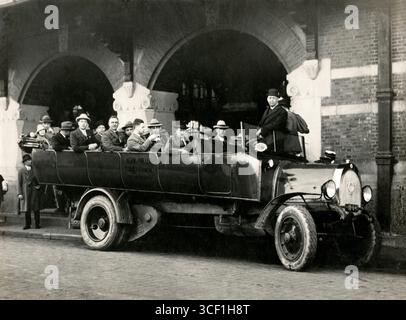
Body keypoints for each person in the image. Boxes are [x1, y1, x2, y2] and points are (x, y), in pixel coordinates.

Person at [257, 88, 289, 152]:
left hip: (276, 140)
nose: (271, 100)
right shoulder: (267, 110)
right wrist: (258, 131)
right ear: (267, 99)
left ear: (277, 99)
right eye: (270, 98)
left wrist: (262, 130)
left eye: (274, 98)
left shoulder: (282, 111)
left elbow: (275, 124)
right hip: (265, 138)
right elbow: (261, 123)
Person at [17, 154, 42, 229]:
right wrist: (20, 193)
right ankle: (27, 224)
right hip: (25, 192)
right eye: (28, 160)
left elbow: (38, 180)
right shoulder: (21, 171)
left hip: (34, 191)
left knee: (36, 208)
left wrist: (38, 186)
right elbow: (19, 182)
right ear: (24, 162)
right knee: (27, 209)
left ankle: (37, 224)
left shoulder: (34, 169)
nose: (30, 161)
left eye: (30, 160)